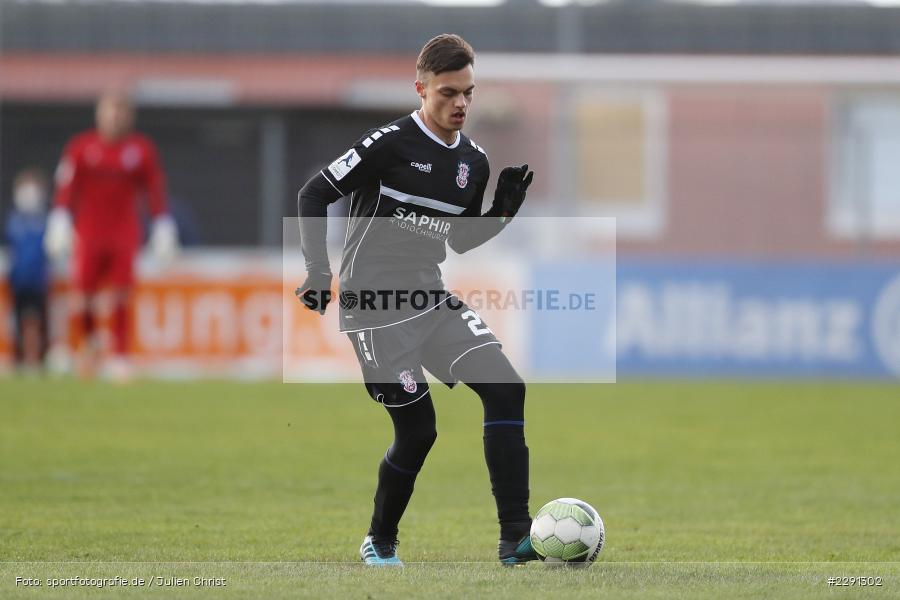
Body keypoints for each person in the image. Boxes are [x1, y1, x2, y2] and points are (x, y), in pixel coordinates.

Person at [296, 34, 535, 566]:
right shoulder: (387, 143)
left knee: (506, 388)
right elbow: (314, 192)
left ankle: (516, 540)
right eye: (449, 93)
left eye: (468, 93)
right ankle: (379, 539)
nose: (461, 104)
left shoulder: (473, 160)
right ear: (421, 89)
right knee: (419, 431)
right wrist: (318, 269)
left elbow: (458, 240)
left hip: (428, 298)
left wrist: (502, 211)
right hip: (373, 307)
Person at [45, 90, 179, 380]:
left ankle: (119, 356)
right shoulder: (81, 147)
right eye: (111, 111)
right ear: (100, 114)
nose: (115, 117)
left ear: (129, 117)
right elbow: (67, 186)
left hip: (123, 233)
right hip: (89, 232)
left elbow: (154, 189)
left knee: (120, 295)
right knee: (83, 297)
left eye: (121, 111)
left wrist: (162, 223)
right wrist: (59, 218)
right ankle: (89, 348)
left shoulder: (141, 150)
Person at [5, 169, 51, 372]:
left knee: (37, 320)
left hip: (39, 281)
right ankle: (19, 358)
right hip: (16, 280)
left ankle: (38, 358)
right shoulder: (10, 220)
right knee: (16, 321)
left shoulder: (46, 220)